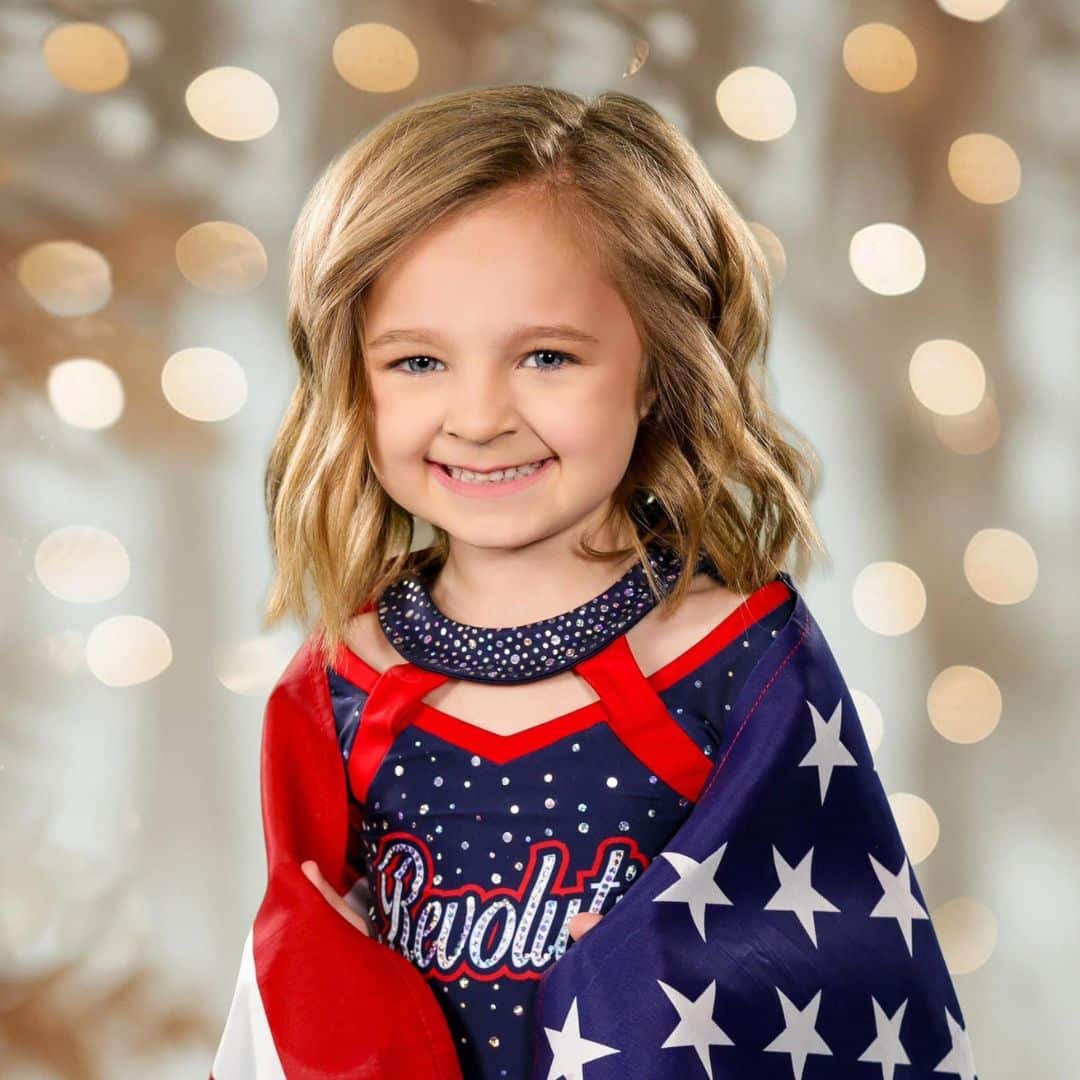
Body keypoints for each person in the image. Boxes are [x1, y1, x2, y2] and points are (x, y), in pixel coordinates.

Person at [210, 85, 976, 1080]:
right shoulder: (339, 682)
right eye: (416, 362)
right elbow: (295, 993)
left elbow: (833, 973)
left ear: (657, 366)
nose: (479, 416)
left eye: (545, 355)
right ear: (351, 377)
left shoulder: (739, 659)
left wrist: (634, 979)